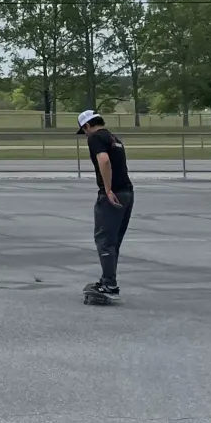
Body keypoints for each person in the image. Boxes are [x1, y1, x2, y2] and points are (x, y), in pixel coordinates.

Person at [77, 110, 133, 305]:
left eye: (83, 130)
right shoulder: (113, 137)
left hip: (114, 194)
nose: (85, 134)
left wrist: (108, 190)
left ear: (87, 126)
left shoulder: (95, 138)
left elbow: (104, 160)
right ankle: (108, 280)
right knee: (113, 241)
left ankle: (109, 284)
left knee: (104, 240)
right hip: (127, 193)